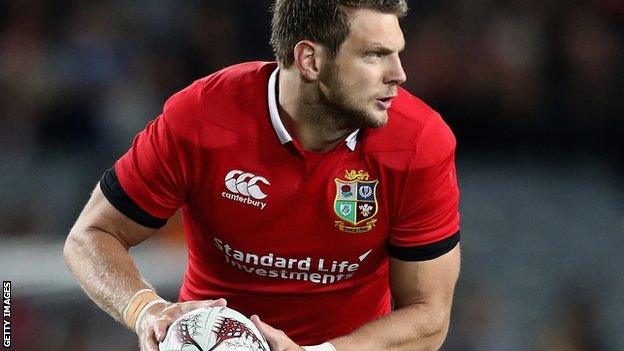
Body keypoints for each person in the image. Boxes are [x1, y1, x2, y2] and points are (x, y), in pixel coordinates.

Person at [63, 1, 461, 350]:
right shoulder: (202, 118)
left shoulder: (419, 142)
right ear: (310, 60)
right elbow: (91, 236)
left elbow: (429, 317)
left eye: (397, 53)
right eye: (375, 55)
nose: (399, 74)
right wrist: (146, 311)